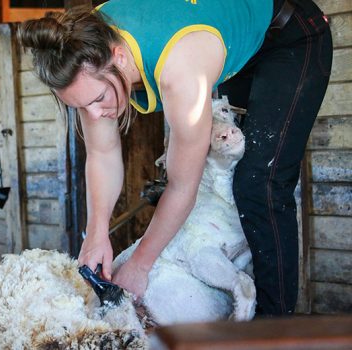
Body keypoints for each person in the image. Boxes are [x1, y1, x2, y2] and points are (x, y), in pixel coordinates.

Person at [18, 0, 332, 316]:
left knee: (258, 183)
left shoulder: (181, 71)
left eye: (99, 99)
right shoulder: (81, 50)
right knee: (233, 183)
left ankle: (274, 329)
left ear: (120, 56)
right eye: (80, 107)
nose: (95, 114)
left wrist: (140, 265)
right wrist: (96, 232)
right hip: (234, 45)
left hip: (288, 34)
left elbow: (183, 186)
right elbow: (101, 153)